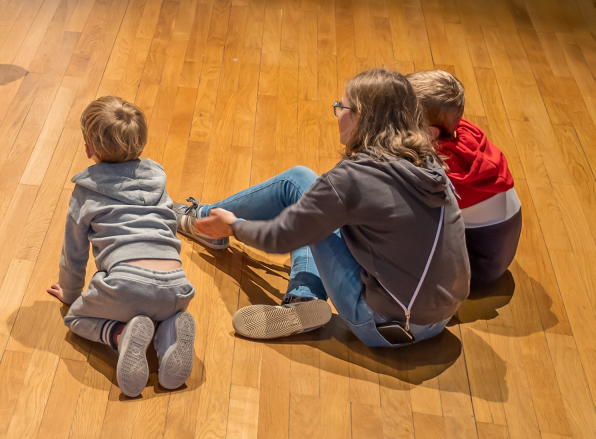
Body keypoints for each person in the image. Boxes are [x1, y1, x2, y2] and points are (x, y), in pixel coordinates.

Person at [177, 68, 470, 347]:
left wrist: (233, 225)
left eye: (341, 107)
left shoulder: (352, 179)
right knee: (311, 196)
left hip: (386, 326)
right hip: (441, 316)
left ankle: (204, 221)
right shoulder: (426, 161)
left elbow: (281, 237)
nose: (338, 114)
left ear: (361, 118)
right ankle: (302, 298)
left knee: (299, 190)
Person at [44, 97, 195, 397]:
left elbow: (73, 255)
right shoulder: (158, 182)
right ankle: (169, 330)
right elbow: (168, 224)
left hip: (126, 284)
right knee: (157, 307)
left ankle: (121, 334)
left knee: (75, 317)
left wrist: (71, 294)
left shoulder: (86, 191)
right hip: (178, 288)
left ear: (90, 148)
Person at [409, 70, 522, 289]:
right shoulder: (461, 131)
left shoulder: (438, 170)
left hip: (476, 266)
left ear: (429, 132)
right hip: (495, 251)